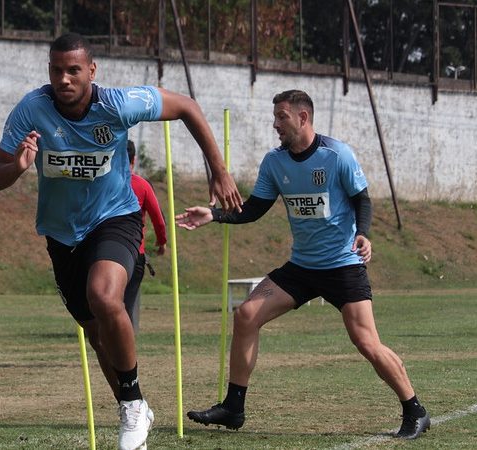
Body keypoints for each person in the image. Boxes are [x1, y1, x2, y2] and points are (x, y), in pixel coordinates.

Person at [0, 33, 242, 450]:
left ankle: (132, 409)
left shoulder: (119, 104)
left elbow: (187, 107)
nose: (64, 79)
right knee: (96, 334)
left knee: (105, 298)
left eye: (73, 70)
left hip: (115, 219)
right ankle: (133, 402)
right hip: (61, 234)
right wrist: (16, 165)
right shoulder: (32, 109)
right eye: (56, 70)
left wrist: (218, 168)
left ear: (91, 70)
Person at [176, 89, 430, 440]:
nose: (275, 124)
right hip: (302, 267)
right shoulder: (274, 162)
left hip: (342, 266)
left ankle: (415, 410)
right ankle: (234, 408)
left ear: (302, 118)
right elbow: (253, 211)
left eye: (281, 116)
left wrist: (364, 234)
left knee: (366, 342)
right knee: (246, 315)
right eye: (275, 117)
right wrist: (214, 215)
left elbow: (363, 200)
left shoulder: (336, 155)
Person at [123, 140, 167, 333]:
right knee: (126, 307)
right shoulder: (142, 185)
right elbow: (159, 220)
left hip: (102, 254)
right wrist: (161, 242)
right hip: (134, 255)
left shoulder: (100, 183)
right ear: (133, 159)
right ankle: (125, 356)